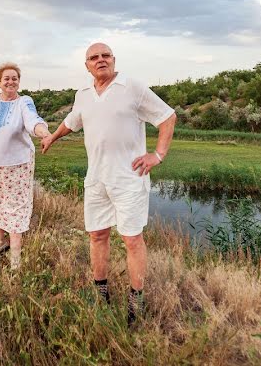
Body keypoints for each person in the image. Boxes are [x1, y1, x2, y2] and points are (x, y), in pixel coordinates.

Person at [41, 43, 176, 326]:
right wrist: (52, 137)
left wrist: (158, 155)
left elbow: (167, 117)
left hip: (129, 179)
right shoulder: (84, 95)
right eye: (94, 57)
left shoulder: (132, 87)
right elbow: (71, 121)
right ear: (87, 65)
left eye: (106, 56)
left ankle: (135, 302)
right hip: (96, 179)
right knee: (97, 236)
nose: (100, 60)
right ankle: (100, 294)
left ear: (114, 60)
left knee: (131, 239)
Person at [0, 62, 51, 270]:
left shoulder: (24, 102)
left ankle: (15, 260)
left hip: (17, 166)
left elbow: (33, 121)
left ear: (19, 82)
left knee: (14, 210)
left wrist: (45, 133)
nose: (10, 81)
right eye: (6, 78)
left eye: (14, 78)